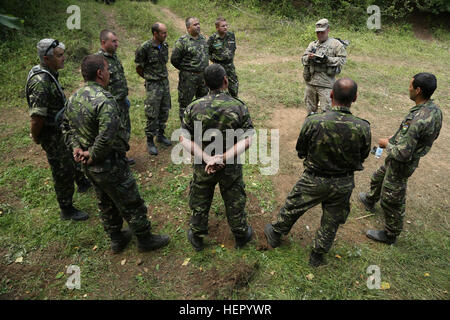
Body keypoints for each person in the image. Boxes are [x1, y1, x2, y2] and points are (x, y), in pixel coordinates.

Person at [63, 54, 170, 254]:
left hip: (89, 166)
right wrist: (93, 154)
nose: (110, 72)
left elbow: (67, 127)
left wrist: (76, 148)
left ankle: (116, 238)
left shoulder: (74, 97)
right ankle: (145, 239)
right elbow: (107, 135)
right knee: (131, 201)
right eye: (107, 68)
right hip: (108, 163)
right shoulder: (104, 100)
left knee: (105, 201)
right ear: (100, 73)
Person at [264, 78, 371, 267]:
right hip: (343, 182)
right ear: (355, 98)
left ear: (331, 95)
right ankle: (317, 254)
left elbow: (301, 150)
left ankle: (276, 233)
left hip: (314, 179)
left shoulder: (314, 122)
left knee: (294, 205)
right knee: (332, 220)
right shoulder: (363, 127)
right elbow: (363, 156)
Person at [358, 73, 443, 244]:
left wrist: (386, 145)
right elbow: (421, 137)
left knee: (392, 198)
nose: (409, 88)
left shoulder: (418, 120)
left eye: (411, 85)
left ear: (418, 90)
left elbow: (404, 154)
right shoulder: (433, 111)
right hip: (400, 155)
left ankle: (390, 234)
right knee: (378, 177)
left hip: (402, 163)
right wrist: (397, 139)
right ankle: (370, 199)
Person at [180, 64, 254, 251]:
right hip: (230, 165)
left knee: (200, 197)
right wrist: (223, 157)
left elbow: (183, 138)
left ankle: (197, 235)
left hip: (203, 165)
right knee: (234, 198)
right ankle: (240, 234)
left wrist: (207, 158)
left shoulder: (193, 107)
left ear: (204, 83)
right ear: (225, 81)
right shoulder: (238, 107)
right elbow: (248, 139)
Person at [26, 38, 90, 221]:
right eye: (59, 56)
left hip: (60, 129)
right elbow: (37, 118)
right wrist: (35, 137)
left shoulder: (49, 72)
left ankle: (82, 182)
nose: (64, 58)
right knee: (62, 169)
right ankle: (66, 208)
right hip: (51, 134)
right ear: (46, 59)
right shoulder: (41, 82)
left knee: (72, 155)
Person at [96, 29, 135, 165]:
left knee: (124, 130)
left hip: (122, 101)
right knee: (113, 132)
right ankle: (114, 160)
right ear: (103, 42)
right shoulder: (99, 61)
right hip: (111, 104)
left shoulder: (113, 56)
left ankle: (121, 156)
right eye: (113, 41)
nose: (117, 44)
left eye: (117, 41)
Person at [135, 22, 172, 156]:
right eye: (163, 33)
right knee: (152, 112)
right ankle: (150, 140)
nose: (166, 35)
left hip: (164, 82)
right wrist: (149, 78)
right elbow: (139, 67)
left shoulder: (165, 46)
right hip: (153, 85)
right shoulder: (145, 47)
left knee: (164, 109)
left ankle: (160, 135)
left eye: (166, 32)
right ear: (155, 34)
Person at [301, 19, 347, 114]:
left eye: (322, 32)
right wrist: (309, 58)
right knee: (310, 110)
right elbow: (303, 59)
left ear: (328, 30)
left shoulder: (336, 45)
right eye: (318, 32)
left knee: (326, 112)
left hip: (326, 84)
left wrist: (327, 59)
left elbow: (342, 60)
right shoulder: (312, 45)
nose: (320, 34)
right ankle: (312, 127)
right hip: (311, 82)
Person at [171, 17, 209, 122]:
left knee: (203, 102)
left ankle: (201, 125)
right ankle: (185, 129)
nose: (198, 26)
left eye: (198, 24)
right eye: (195, 24)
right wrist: (186, 69)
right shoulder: (182, 42)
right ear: (188, 28)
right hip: (188, 78)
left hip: (203, 77)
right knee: (185, 104)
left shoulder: (203, 39)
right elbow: (174, 59)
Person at [207, 17, 239, 98]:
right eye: (223, 26)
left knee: (233, 86)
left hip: (229, 65)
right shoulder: (212, 38)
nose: (225, 27)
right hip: (218, 66)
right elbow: (207, 52)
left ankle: (234, 101)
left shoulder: (231, 35)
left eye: (226, 25)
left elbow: (233, 48)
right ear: (217, 28)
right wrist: (214, 59)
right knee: (217, 87)